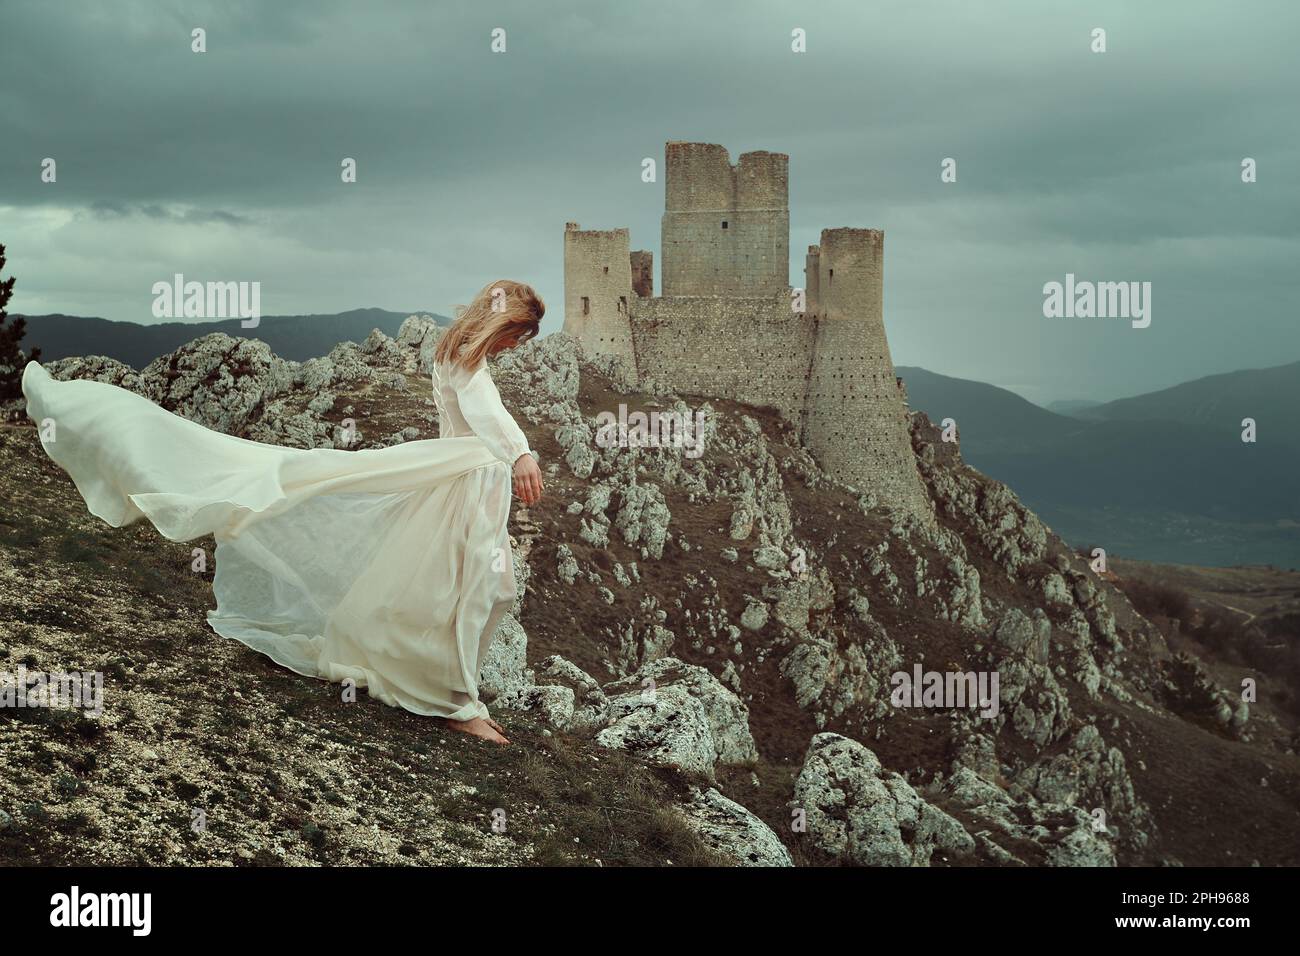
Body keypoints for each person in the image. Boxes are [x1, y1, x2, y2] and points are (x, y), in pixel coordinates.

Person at [21, 279, 545, 745]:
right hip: (464, 488)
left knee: (469, 589)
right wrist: (521, 451)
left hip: (466, 484)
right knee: (474, 590)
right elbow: (485, 412)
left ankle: (452, 692)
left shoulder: (461, 352)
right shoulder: (466, 361)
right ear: (502, 321)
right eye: (518, 333)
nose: (518, 344)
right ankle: (457, 703)